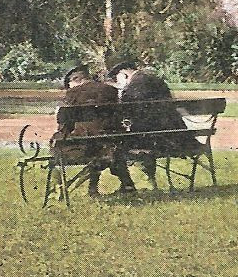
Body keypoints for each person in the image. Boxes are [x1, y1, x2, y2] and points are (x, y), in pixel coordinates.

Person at [55, 65, 136, 197]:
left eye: (69, 84)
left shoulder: (73, 93)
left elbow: (64, 120)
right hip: (114, 140)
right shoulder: (110, 90)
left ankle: (92, 188)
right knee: (105, 145)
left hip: (86, 144)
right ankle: (125, 184)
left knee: (80, 142)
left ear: (75, 80)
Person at [110, 61, 190, 189]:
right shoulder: (155, 79)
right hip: (175, 135)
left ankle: (139, 183)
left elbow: (125, 111)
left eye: (117, 77)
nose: (118, 81)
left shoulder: (134, 85)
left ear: (124, 72)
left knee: (116, 145)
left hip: (155, 138)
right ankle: (142, 181)